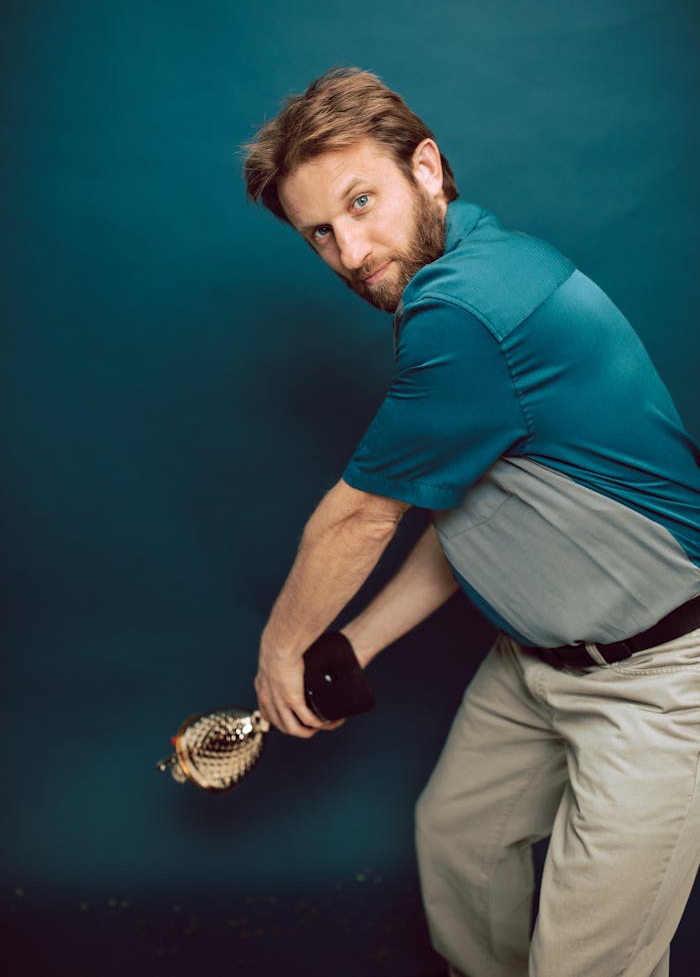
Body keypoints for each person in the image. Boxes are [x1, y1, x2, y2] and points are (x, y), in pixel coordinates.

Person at [241, 67, 700, 977]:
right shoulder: (467, 264)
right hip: (533, 661)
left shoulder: (463, 311)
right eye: (321, 232)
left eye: (361, 202)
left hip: (660, 680)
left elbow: (359, 519)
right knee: (458, 845)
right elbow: (481, 512)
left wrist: (281, 651)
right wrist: (356, 642)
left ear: (427, 167)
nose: (351, 251)